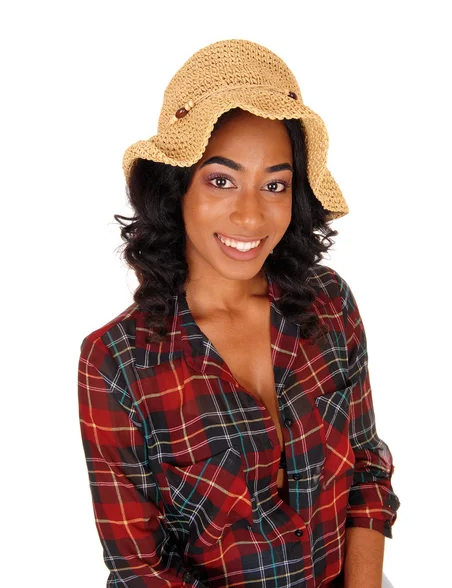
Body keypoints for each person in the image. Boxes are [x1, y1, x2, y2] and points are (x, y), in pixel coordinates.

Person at [77, 39, 400, 588]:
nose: (250, 215)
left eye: (274, 184)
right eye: (221, 180)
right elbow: (141, 568)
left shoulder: (330, 303)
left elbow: (367, 466)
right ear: (175, 188)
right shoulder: (118, 362)